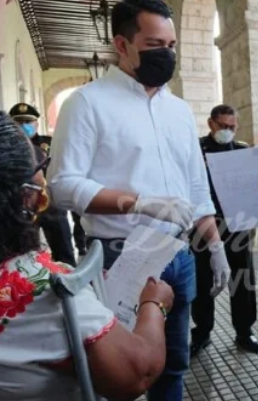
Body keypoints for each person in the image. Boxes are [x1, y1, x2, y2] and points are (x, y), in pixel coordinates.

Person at [46, 1, 230, 400]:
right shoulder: (88, 103)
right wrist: (138, 203)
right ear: (122, 44)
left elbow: (196, 186)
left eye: (172, 44)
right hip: (120, 256)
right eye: (154, 43)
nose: (166, 53)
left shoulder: (179, 111)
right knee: (126, 379)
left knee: (174, 367)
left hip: (178, 256)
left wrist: (215, 245)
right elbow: (61, 185)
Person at [0, 110, 175, 401]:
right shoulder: (33, 288)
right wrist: (155, 305)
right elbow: (138, 372)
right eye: (40, 166)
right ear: (26, 194)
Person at [189, 105, 258, 356]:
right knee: (202, 281)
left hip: (237, 227)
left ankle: (244, 332)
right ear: (211, 124)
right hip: (203, 226)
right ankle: (202, 332)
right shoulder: (196, 150)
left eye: (232, 127)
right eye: (223, 126)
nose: (228, 131)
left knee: (242, 280)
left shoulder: (242, 151)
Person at [9, 103, 77, 267]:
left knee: (64, 254)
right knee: (26, 258)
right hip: (23, 210)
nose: (24, 126)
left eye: (28, 121)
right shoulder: (8, 148)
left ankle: (68, 285)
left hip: (52, 207)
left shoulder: (50, 143)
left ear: (36, 124)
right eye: (19, 122)